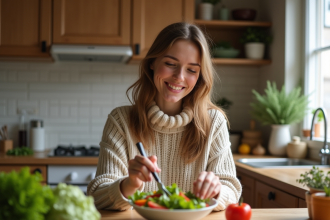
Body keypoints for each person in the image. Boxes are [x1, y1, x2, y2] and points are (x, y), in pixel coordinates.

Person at [87, 22, 242, 211]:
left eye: (192, 70)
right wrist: (130, 184)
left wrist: (217, 190)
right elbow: (97, 196)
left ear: (200, 76)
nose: (179, 77)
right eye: (170, 64)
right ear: (152, 62)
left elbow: (232, 192)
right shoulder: (120, 120)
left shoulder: (213, 122)